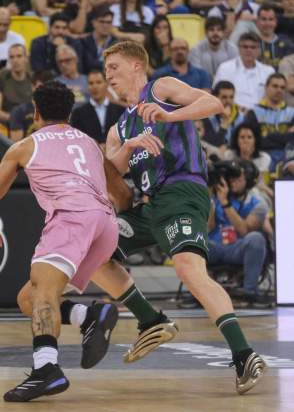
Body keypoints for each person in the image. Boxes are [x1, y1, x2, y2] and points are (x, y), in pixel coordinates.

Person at [0, 81, 174, 402]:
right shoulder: (88, 143)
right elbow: (122, 193)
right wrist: (115, 222)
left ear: (35, 112)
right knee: (28, 300)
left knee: (42, 294)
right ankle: (88, 316)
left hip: (71, 218)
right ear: (70, 112)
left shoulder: (25, 146)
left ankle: (46, 369)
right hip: (104, 223)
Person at [102, 40, 266, 394]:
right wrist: (129, 146)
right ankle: (150, 320)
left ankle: (244, 354)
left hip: (182, 191)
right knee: (94, 250)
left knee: (189, 269)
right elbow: (108, 172)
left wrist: (169, 115)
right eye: (105, 70)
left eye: (114, 67)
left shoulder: (160, 88)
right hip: (150, 205)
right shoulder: (119, 127)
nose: (108, 76)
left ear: (135, 65)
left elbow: (213, 103)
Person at [208, 160, 270, 305]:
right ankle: (198, 293)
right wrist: (211, 197)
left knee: (256, 238)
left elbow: (244, 230)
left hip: (239, 248)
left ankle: (250, 292)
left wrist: (225, 203)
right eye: (231, 179)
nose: (233, 182)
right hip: (215, 246)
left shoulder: (258, 203)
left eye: (238, 179)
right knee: (195, 240)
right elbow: (208, 227)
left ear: (248, 181)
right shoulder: (215, 197)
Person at [213, 32, 274, 111]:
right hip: (232, 113)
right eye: (245, 47)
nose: (249, 50)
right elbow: (217, 95)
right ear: (239, 48)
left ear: (259, 50)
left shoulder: (268, 71)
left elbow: (271, 98)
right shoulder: (225, 68)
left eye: (253, 47)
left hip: (261, 116)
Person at [244, 73, 294, 167]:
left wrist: (268, 136)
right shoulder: (254, 113)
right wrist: (284, 136)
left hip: (289, 158)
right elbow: (254, 141)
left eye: (282, 87)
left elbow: (292, 140)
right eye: (275, 86)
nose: (279, 90)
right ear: (266, 88)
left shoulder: (292, 113)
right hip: (262, 156)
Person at [70, 69, 123, 144]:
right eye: (91, 83)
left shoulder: (121, 110)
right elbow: (77, 139)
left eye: (98, 82)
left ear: (106, 84)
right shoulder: (78, 113)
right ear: (87, 86)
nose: (95, 86)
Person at [0, 43, 33, 126]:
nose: (15, 60)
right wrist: (17, 119)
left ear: (26, 58)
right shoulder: (1, 78)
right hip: (7, 123)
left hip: (30, 123)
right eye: (12, 57)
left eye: (19, 56)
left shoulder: (33, 79)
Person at [9, 70, 54, 142]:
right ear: (33, 86)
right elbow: (16, 145)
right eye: (42, 87)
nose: (46, 91)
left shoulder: (58, 111)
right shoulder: (19, 111)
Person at [79, 5, 117, 75]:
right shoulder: (84, 41)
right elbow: (88, 64)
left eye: (109, 22)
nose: (105, 25)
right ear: (93, 23)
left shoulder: (117, 43)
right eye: (102, 22)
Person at [255, 5, 294, 70]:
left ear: (276, 22)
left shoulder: (286, 41)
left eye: (271, 19)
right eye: (263, 19)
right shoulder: (250, 42)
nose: (267, 23)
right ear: (257, 21)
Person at [0, 6, 25, 71]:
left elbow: (23, 64)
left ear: (10, 23)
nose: (1, 29)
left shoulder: (18, 40)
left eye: (5, 25)